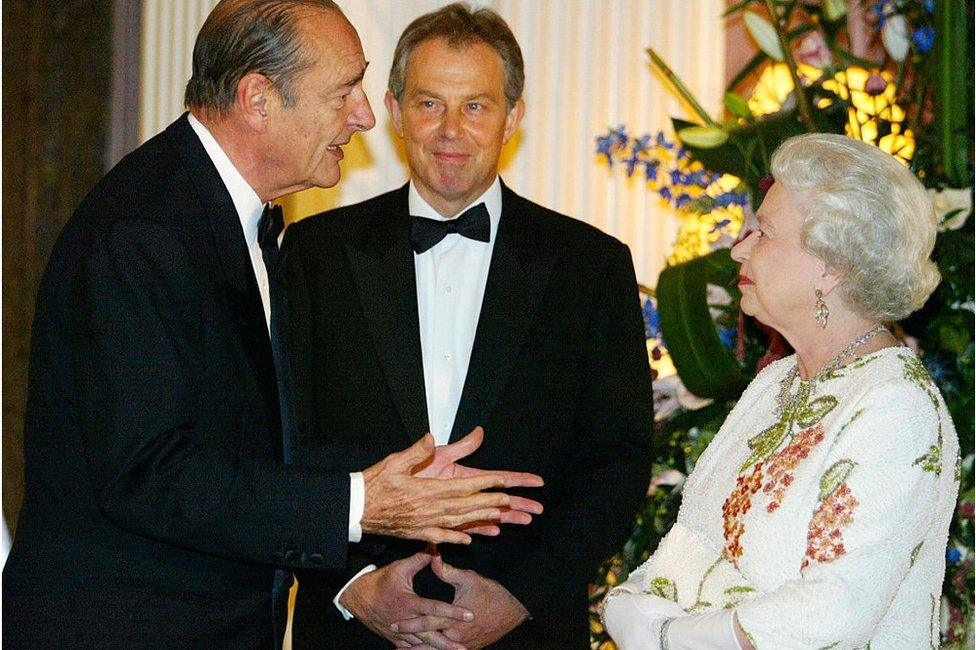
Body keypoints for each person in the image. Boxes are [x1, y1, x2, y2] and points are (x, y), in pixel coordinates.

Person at [2, 1, 544, 647]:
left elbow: (251, 437)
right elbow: (148, 473)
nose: (366, 115)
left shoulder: (235, 219)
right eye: (344, 90)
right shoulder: (145, 231)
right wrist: (359, 504)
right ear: (258, 98)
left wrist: (399, 475)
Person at [282, 4, 654, 648]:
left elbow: (617, 463)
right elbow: (283, 442)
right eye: (429, 103)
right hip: (352, 627)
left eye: (476, 106)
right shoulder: (312, 253)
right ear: (394, 111)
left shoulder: (591, 266)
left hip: (522, 631)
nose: (451, 129)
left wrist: (520, 595)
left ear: (514, 116)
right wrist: (353, 586)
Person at [601, 133, 961, 650]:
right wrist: (628, 602)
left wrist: (663, 636)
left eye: (764, 232)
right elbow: (691, 542)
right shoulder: (776, 382)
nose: (738, 247)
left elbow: (834, 609)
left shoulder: (895, 405)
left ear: (831, 263)